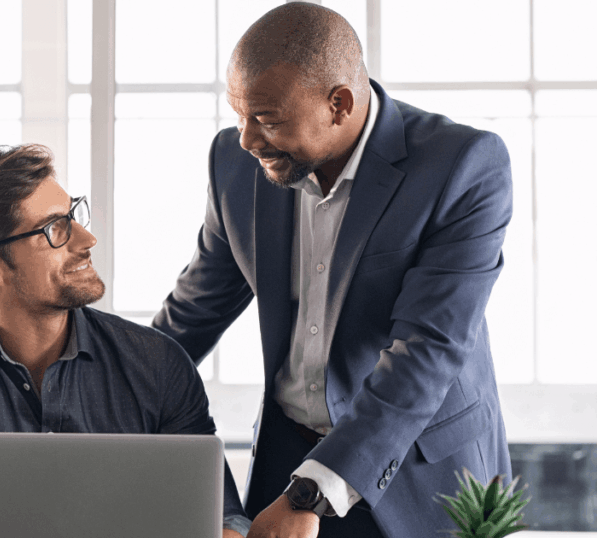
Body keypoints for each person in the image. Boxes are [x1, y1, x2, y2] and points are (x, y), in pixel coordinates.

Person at [151, 3, 513, 538]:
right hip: (285, 461)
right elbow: (191, 316)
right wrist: (99, 379)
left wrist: (313, 491)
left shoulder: (462, 166)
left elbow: (428, 350)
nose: (248, 139)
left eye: (267, 119)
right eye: (239, 114)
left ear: (339, 104)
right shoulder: (234, 163)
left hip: (424, 475)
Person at [0, 144, 253, 537]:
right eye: (54, 229)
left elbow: (223, 519)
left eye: (73, 215)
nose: (86, 240)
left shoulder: (158, 362)